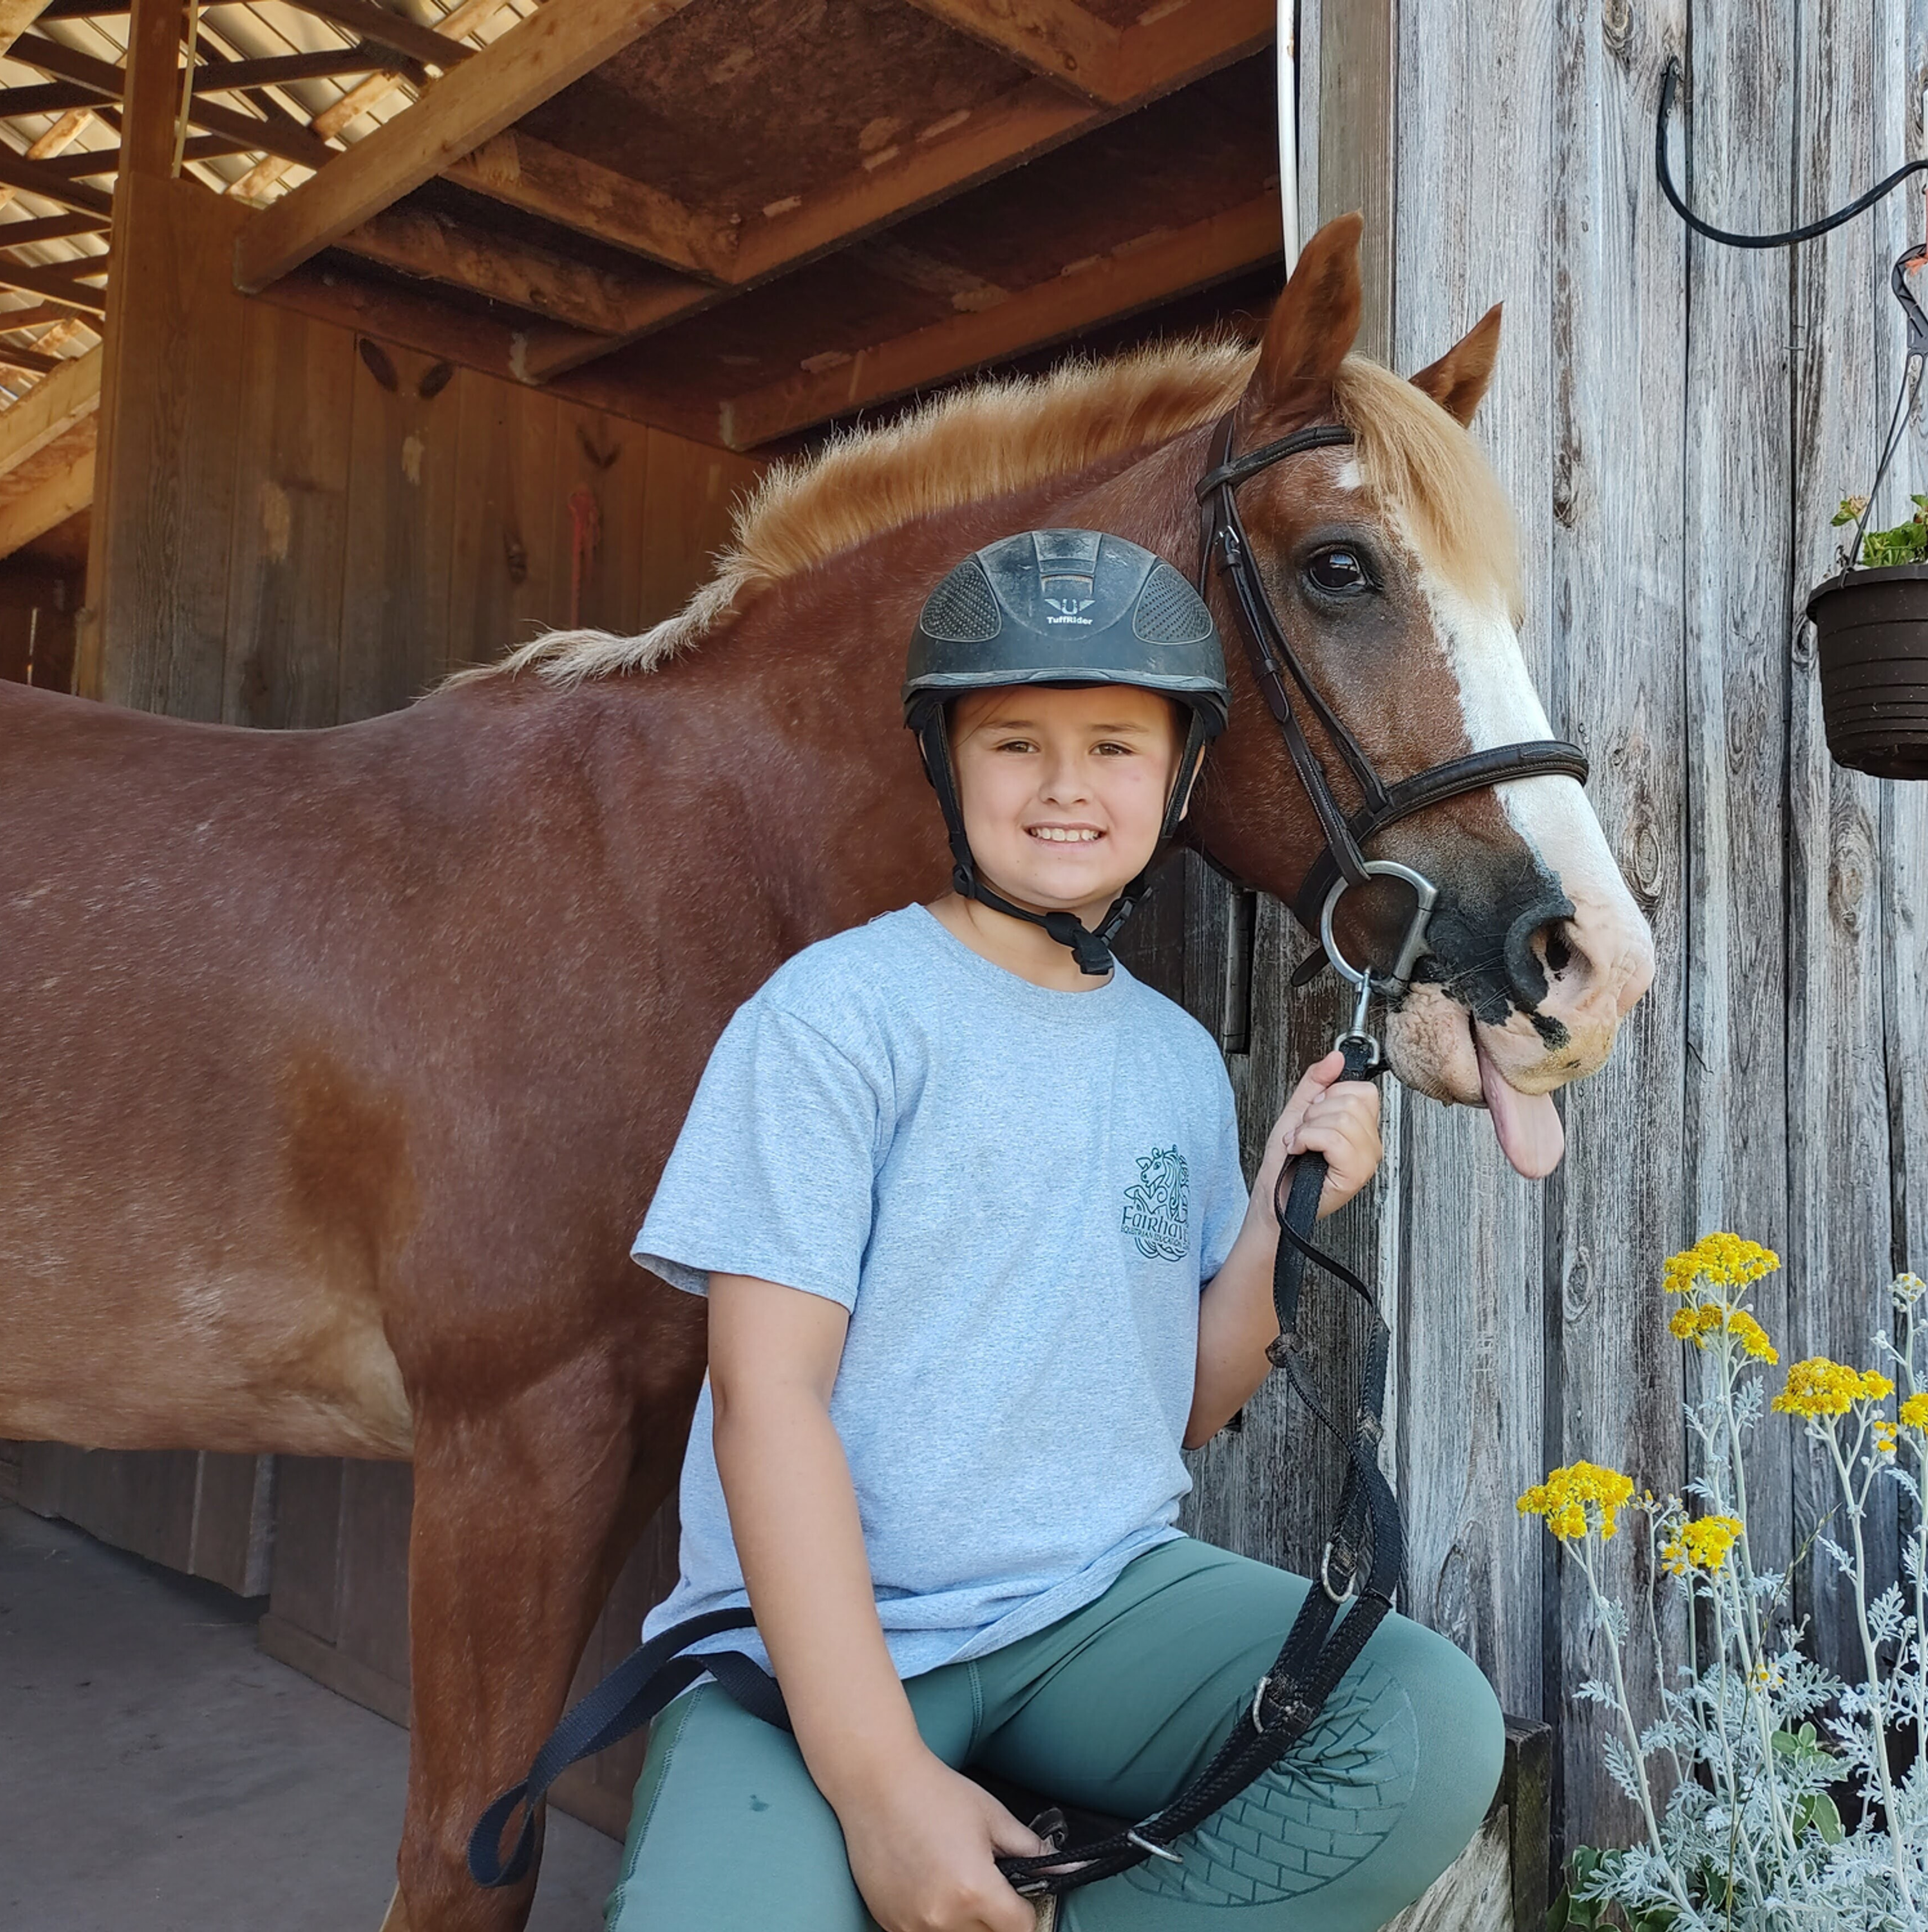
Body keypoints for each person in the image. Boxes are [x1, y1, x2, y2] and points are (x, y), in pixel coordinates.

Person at [605, 529, 1504, 1932]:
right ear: (946, 762)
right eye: (1016, 743)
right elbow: (765, 1398)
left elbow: (1186, 1405)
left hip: (1090, 1606)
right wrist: (880, 1786)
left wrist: (1276, 1212)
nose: (1067, 786)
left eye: (1115, 748)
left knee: (1423, 1722)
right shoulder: (835, 1019)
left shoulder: (1175, 1062)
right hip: (805, 1644)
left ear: (1180, 778)